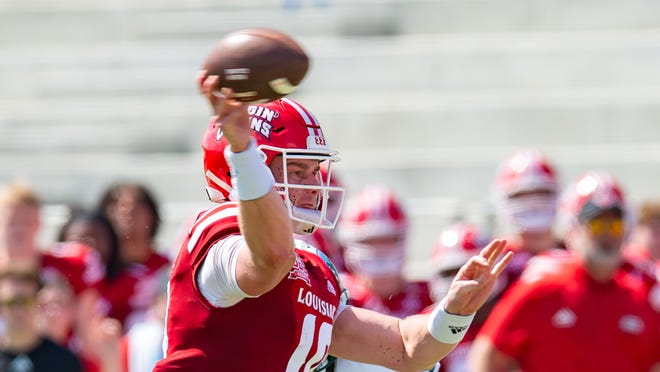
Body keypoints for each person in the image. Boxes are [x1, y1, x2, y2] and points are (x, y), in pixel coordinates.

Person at [153, 71, 513, 371]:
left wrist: (454, 311)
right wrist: (244, 154)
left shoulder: (312, 268)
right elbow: (268, 260)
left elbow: (406, 350)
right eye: (296, 170)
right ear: (242, 168)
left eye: (314, 170)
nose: (312, 185)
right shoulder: (217, 231)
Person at [469, 172, 660, 372]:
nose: (606, 234)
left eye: (614, 224)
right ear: (574, 226)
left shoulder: (641, 294)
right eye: (596, 223)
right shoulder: (542, 286)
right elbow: (487, 354)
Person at [333, 185, 434, 371]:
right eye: (368, 240)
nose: (380, 250)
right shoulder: (335, 294)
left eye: (389, 239)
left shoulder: (431, 295)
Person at [97, 182, 171, 330]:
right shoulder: (95, 268)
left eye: (137, 205)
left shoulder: (167, 265)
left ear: (152, 215)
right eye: (117, 205)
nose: (127, 210)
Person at [491, 149, 564, 287]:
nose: (533, 202)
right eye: (521, 194)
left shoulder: (577, 254)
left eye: (541, 192)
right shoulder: (492, 259)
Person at [0, 269, 83, 372]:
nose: (19, 310)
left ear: (38, 304)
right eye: (11, 302)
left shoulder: (65, 361)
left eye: (26, 301)